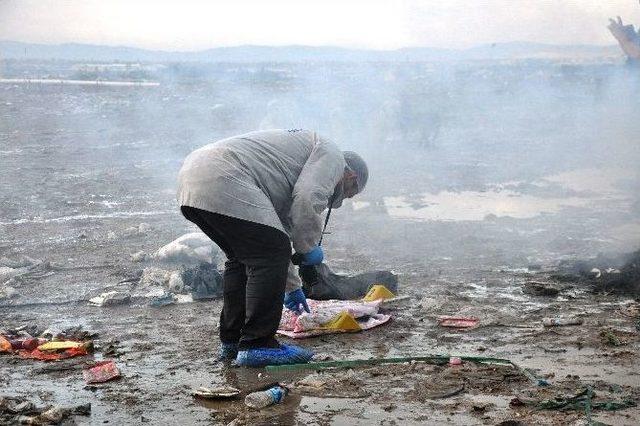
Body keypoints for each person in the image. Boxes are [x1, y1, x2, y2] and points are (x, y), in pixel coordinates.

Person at [177, 129, 368, 367]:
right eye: (349, 194)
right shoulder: (333, 155)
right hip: (225, 174)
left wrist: (292, 286)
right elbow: (308, 199)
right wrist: (308, 250)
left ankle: (232, 342)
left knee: (242, 259)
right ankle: (258, 344)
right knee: (268, 254)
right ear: (351, 177)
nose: (340, 201)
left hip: (193, 179)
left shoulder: (289, 169)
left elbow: (278, 234)